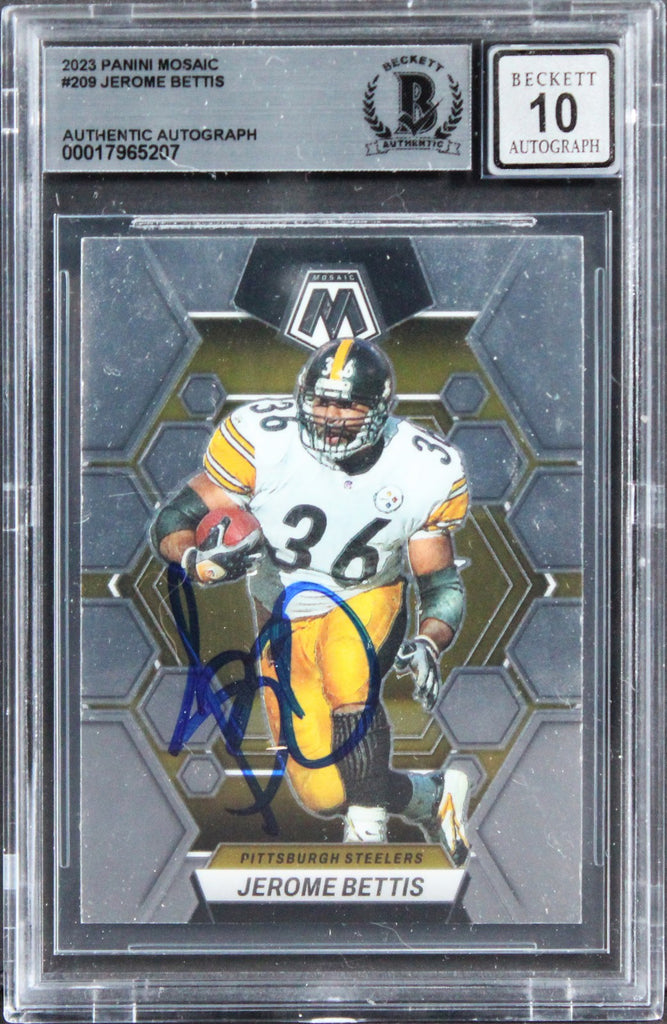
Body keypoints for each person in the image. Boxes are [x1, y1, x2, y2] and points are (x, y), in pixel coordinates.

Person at [153, 337, 471, 863]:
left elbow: (441, 585)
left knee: (349, 671)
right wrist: (194, 560)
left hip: (366, 595)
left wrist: (430, 640)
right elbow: (174, 519)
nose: (331, 417)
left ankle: (367, 843)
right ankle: (429, 795)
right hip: (282, 618)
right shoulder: (264, 441)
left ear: (381, 408)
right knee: (323, 793)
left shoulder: (423, 468)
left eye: (348, 405)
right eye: (322, 401)